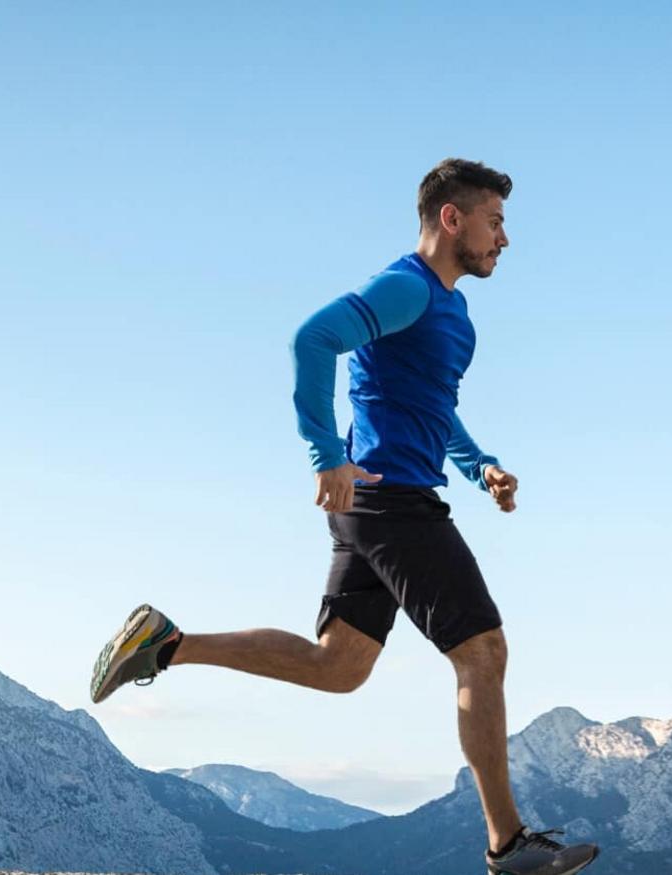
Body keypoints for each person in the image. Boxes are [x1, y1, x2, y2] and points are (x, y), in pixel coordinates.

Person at [89, 158, 599, 875]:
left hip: (385, 503)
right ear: (451, 219)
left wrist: (479, 466)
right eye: (496, 220)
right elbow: (312, 338)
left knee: (339, 665)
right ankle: (506, 843)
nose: (504, 238)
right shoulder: (405, 287)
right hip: (390, 502)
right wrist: (324, 452)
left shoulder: (452, 309)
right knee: (482, 652)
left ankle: (165, 642)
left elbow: (431, 406)